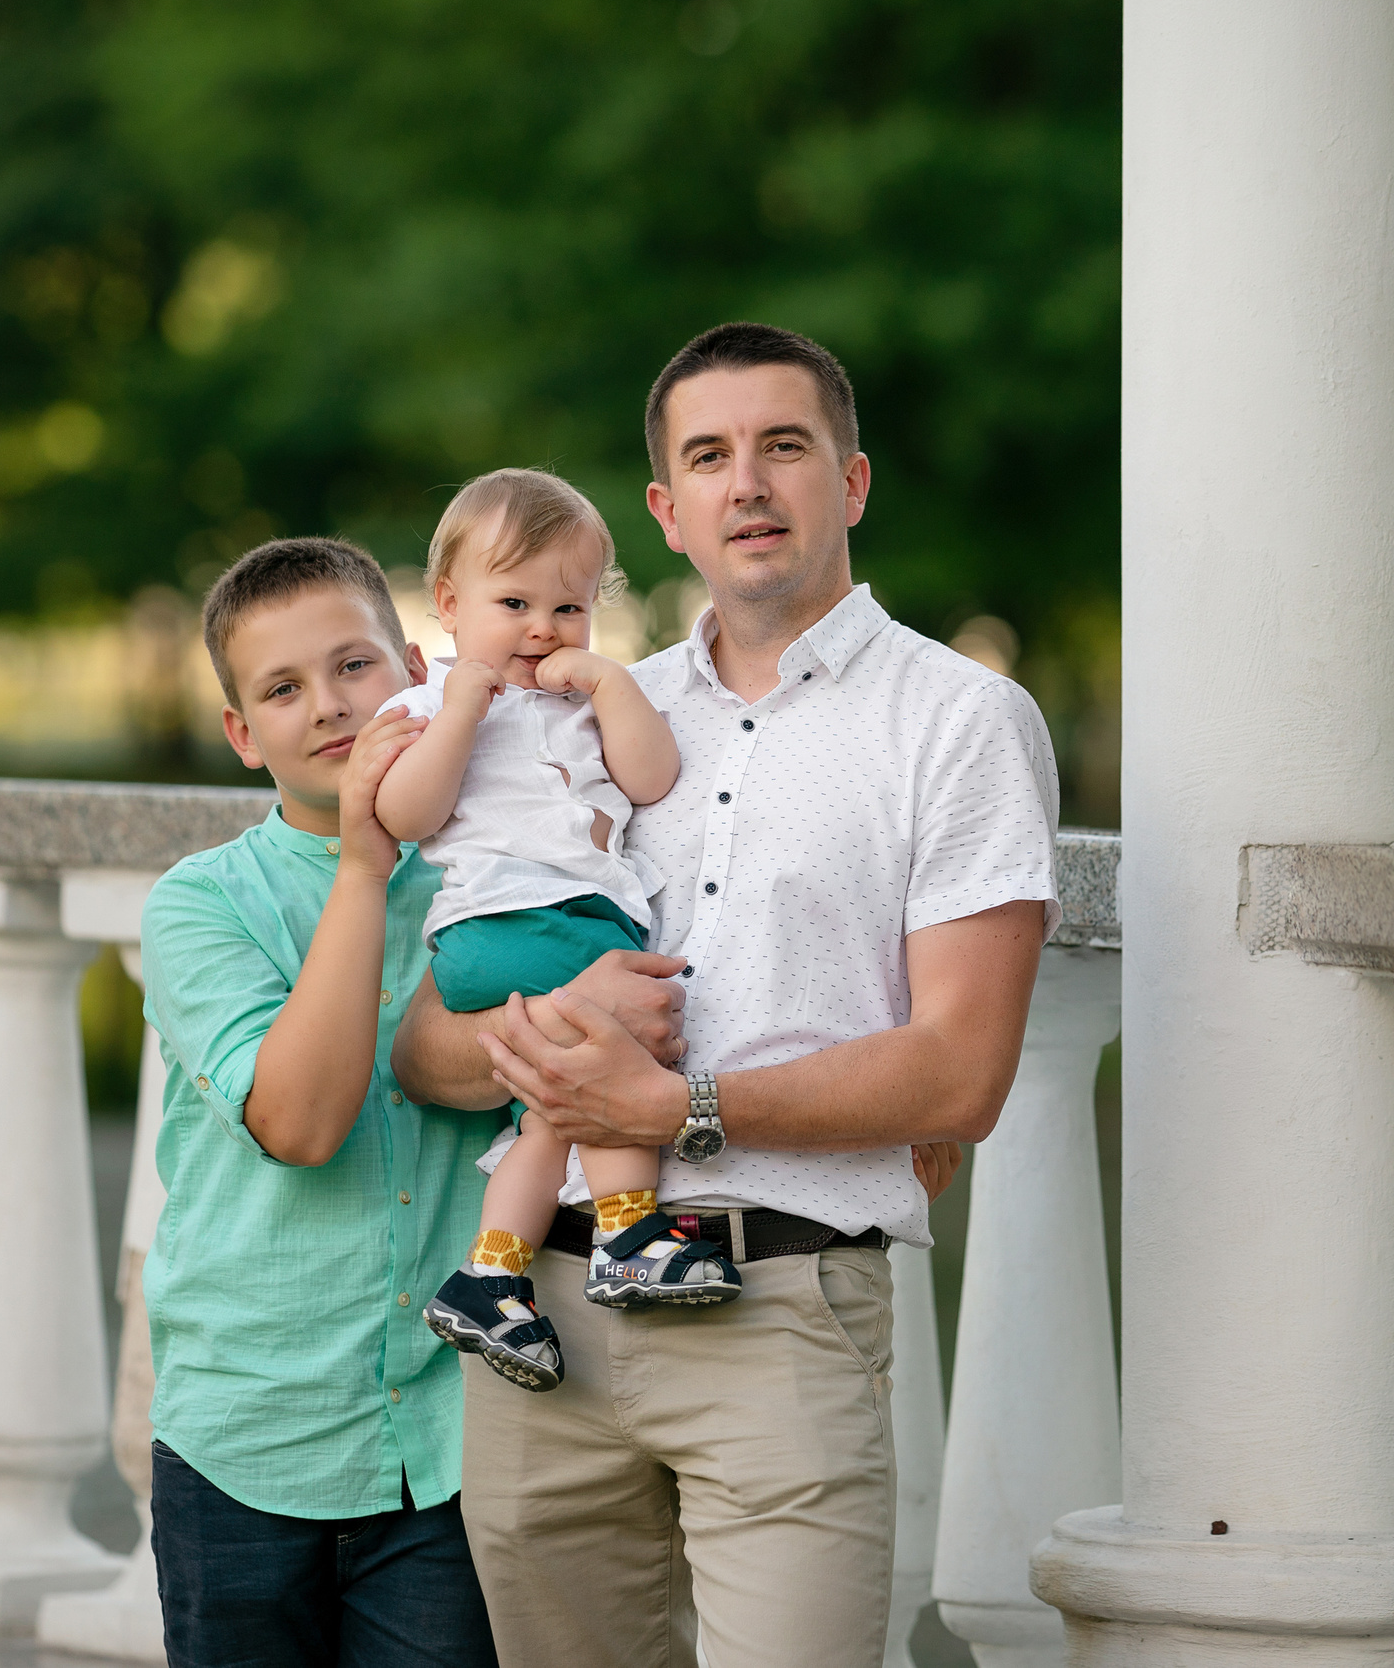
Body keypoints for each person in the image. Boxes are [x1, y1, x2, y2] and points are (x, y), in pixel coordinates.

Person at [392, 323, 1062, 1668]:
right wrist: (538, 1040)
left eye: (784, 447)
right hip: (543, 1321)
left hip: (778, 1309)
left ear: (853, 481)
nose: (747, 482)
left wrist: (671, 1101)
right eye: (710, 456)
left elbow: (961, 1074)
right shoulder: (576, 708)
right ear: (667, 510)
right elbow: (420, 1048)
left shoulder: (958, 719)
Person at [135, 536, 686, 1666]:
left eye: (354, 666)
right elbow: (300, 1124)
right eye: (282, 691)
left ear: (423, 670)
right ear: (243, 735)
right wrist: (360, 863)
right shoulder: (201, 906)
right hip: (247, 1433)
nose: (331, 708)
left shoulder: (507, 882)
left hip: (448, 1445)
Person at [378, 469, 735, 1398]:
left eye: (569, 607)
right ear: (450, 605)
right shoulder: (430, 703)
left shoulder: (585, 700)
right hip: (506, 922)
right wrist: (459, 712)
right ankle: (629, 1230)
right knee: (621, 1052)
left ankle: (491, 1275)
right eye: (514, 602)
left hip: (578, 921)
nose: (543, 629)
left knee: (554, 1108)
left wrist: (610, 687)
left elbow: (652, 777)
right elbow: (407, 812)